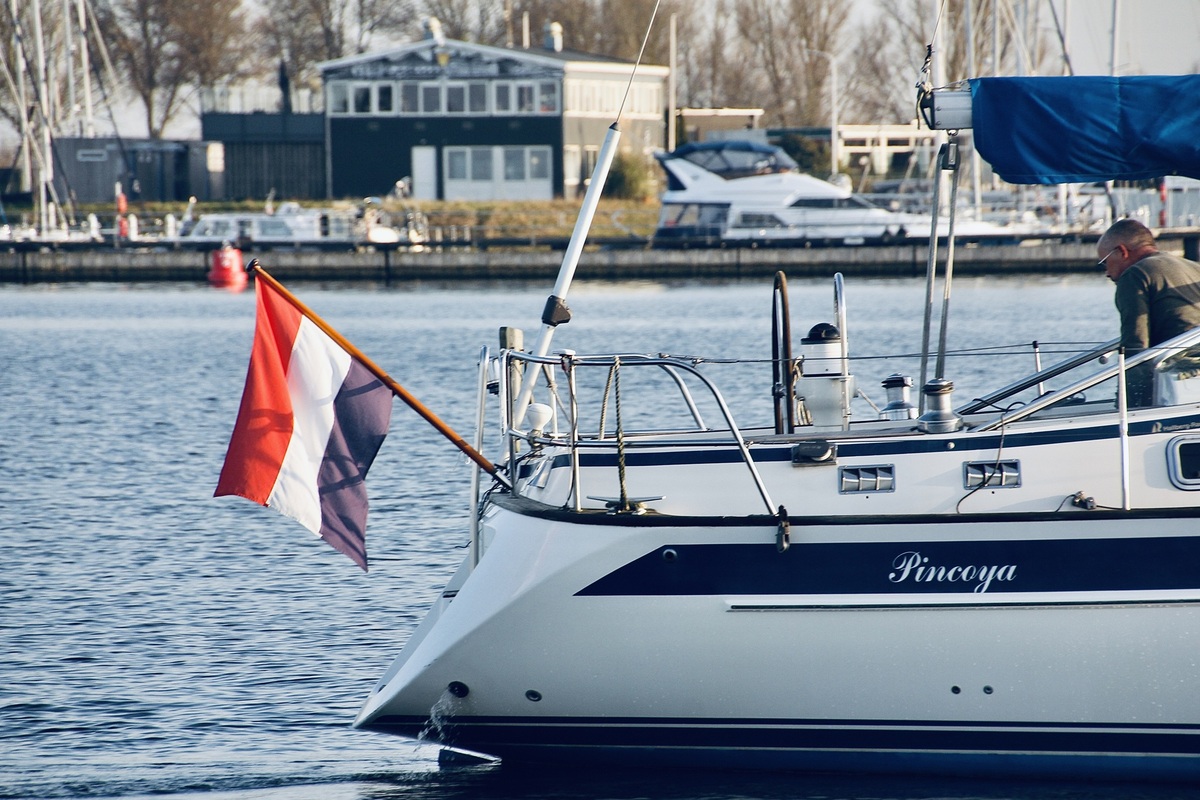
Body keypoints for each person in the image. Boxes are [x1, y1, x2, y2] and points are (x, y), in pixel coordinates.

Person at [1097, 218, 1200, 406]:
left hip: (1181, 376)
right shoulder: (1193, 267)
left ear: (1121, 252)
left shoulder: (1134, 275)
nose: (1107, 273)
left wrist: (1130, 404)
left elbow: (1136, 345)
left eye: (1104, 263)